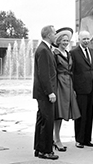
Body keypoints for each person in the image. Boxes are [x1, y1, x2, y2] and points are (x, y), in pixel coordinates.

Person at [32, 25, 59, 160]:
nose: (56, 35)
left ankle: (38, 148)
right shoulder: (43, 50)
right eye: (55, 33)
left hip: (41, 93)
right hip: (45, 93)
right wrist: (50, 92)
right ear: (49, 35)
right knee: (47, 121)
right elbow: (44, 74)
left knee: (42, 120)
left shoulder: (45, 49)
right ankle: (46, 151)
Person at [53, 27, 81, 151]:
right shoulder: (54, 53)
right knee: (57, 113)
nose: (65, 43)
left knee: (63, 112)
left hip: (68, 84)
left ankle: (56, 138)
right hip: (59, 84)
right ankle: (56, 139)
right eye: (63, 40)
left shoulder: (68, 53)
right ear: (58, 41)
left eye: (67, 41)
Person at [70, 30, 93, 148]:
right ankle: (79, 139)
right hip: (80, 88)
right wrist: (73, 89)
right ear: (79, 40)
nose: (86, 41)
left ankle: (87, 139)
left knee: (90, 114)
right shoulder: (73, 53)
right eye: (84, 39)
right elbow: (72, 71)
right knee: (81, 115)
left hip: (92, 87)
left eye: (88, 39)